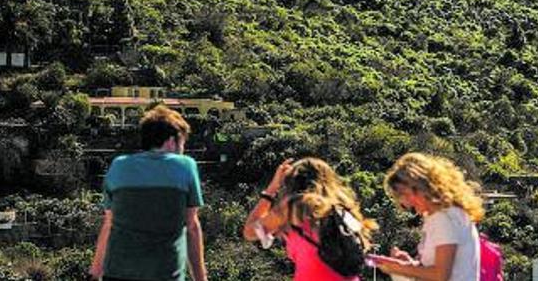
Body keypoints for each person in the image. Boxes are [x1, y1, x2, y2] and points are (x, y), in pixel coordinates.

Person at [91, 105, 208, 281]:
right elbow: (191, 227)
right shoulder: (185, 166)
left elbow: (109, 224)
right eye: (182, 143)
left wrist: (94, 274)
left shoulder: (119, 165)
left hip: (117, 273)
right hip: (165, 274)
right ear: (171, 141)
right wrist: (201, 278)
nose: (183, 149)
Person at [241, 158, 377, 280]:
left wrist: (272, 189)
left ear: (292, 182)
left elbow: (250, 232)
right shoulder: (344, 210)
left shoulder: (295, 207)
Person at [374, 153, 483, 281]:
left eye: (405, 194)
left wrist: (399, 268)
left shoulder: (444, 218)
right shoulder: (442, 215)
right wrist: (408, 264)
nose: (405, 202)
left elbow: (441, 275)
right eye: (400, 197)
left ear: (421, 186)